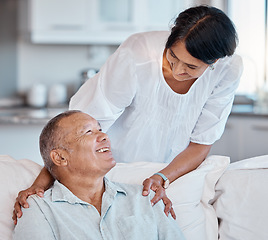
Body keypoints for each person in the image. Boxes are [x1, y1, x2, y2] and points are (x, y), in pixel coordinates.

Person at [13, 5, 243, 221]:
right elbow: (79, 129)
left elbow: (201, 143)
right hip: (111, 170)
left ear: (214, 62)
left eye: (192, 67)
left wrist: (162, 178)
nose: (178, 70)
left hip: (171, 175)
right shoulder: (138, 53)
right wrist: (41, 183)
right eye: (173, 56)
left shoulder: (227, 70)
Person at [13, 110, 185, 240]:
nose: (104, 136)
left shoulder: (147, 198)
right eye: (88, 132)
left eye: (100, 129)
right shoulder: (38, 208)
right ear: (60, 157)